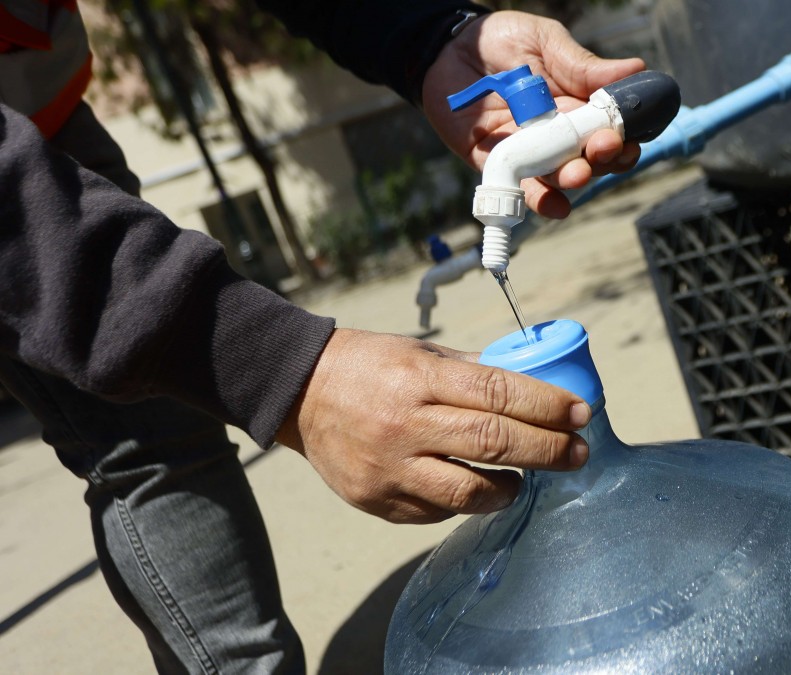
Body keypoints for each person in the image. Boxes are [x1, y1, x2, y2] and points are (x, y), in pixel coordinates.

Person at [0, 1, 643, 671]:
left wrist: (432, 33)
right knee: (140, 435)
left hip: (44, 99)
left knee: (164, 427)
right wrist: (288, 371)